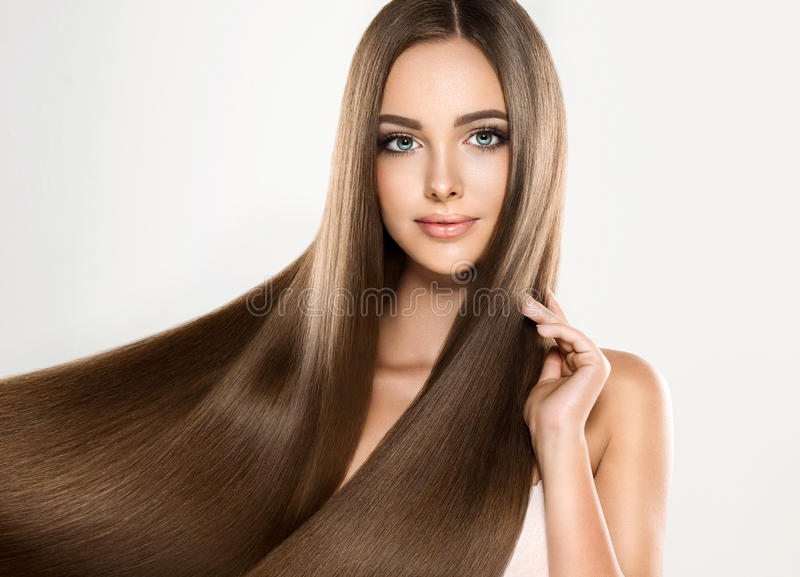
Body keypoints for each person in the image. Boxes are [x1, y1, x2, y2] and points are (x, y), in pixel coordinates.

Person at [0, 1, 673, 576]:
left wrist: (556, 439)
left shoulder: (613, 403)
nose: (443, 180)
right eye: (402, 143)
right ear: (363, 158)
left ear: (538, 147)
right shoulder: (275, 388)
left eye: (483, 136)